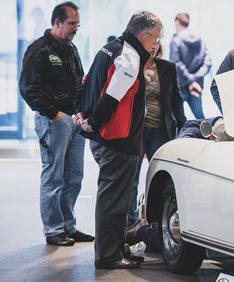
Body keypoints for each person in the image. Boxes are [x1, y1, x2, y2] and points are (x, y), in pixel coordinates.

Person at [77, 11, 162, 269]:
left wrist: (82, 114)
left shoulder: (109, 48)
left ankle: (117, 248)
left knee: (115, 200)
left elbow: (86, 83)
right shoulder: (130, 57)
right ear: (143, 34)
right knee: (113, 201)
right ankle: (108, 255)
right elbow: (111, 98)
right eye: (156, 37)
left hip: (105, 138)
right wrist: (92, 121)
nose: (157, 43)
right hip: (117, 140)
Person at [18, 1, 94, 247]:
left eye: (78, 24)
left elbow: (80, 83)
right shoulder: (38, 50)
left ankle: (68, 226)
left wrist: (81, 113)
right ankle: (53, 229)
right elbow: (27, 88)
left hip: (74, 120)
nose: (76, 28)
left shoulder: (70, 49)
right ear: (57, 22)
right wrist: (54, 115)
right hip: (54, 121)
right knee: (53, 176)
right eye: (72, 23)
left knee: (75, 177)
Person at [126, 43, 187, 228]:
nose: (154, 46)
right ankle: (130, 221)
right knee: (132, 177)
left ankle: (157, 223)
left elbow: (176, 99)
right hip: (137, 130)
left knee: (161, 177)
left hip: (160, 129)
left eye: (157, 42)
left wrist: (184, 127)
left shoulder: (167, 67)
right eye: (151, 42)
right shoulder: (131, 65)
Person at [169, 12, 212, 119]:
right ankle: (207, 136)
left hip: (181, 86)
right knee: (200, 118)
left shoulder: (175, 41)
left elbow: (176, 64)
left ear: (177, 22)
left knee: (176, 119)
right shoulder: (199, 39)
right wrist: (196, 77)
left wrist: (189, 78)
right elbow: (208, 62)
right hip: (197, 85)